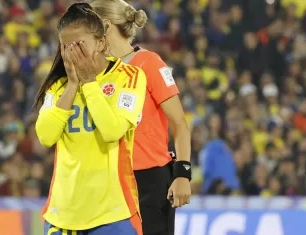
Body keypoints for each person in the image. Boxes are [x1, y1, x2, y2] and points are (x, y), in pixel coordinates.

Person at [34, 3, 147, 235]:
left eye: (80, 45)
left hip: (113, 214)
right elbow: (45, 137)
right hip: (62, 216)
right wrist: (73, 86)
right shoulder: (58, 87)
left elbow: (112, 130)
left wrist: (88, 83)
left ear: (102, 42)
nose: (73, 52)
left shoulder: (129, 77)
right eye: (66, 46)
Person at [90, 1, 192, 235]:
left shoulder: (149, 63)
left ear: (105, 26)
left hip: (150, 180)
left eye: (89, 27)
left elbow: (180, 124)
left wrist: (182, 174)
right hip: (109, 180)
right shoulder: (95, 71)